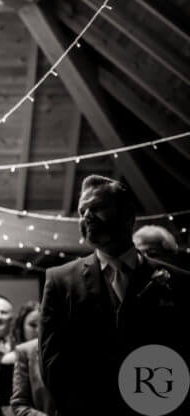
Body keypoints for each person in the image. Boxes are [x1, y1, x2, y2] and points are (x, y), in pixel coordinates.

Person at [40, 175, 190, 415]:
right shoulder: (60, 281)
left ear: (128, 215)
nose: (86, 216)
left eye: (97, 208)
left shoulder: (180, 281)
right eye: (82, 211)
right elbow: (52, 366)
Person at [7, 302, 55, 416]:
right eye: (33, 325)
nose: (39, 330)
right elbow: (11, 406)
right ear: (21, 327)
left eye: (42, 323)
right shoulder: (13, 357)